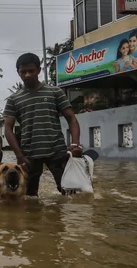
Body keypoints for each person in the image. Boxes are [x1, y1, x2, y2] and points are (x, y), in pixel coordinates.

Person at [4, 53, 82, 196]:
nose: (27, 75)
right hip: (29, 155)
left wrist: (75, 144)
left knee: (70, 193)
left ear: (39, 70)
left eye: (31, 71)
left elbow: (72, 119)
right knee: (29, 197)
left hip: (57, 151)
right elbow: (8, 129)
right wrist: (19, 155)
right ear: (18, 73)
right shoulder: (13, 99)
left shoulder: (55, 92)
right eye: (23, 72)